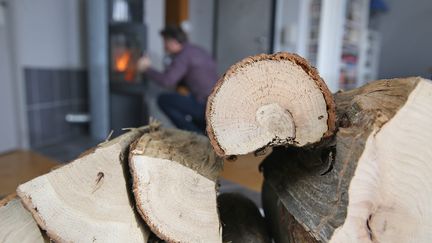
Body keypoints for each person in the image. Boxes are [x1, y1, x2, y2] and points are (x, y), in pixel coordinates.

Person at [138, 25, 218, 133]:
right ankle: (201, 130)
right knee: (185, 97)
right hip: (215, 104)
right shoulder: (196, 50)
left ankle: (194, 134)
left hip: (206, 107)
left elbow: (168, 80)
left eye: (165, 42)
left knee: (163, 100)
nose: (164, 46)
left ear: (173, 41)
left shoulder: (183, 56)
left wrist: (146, 69)